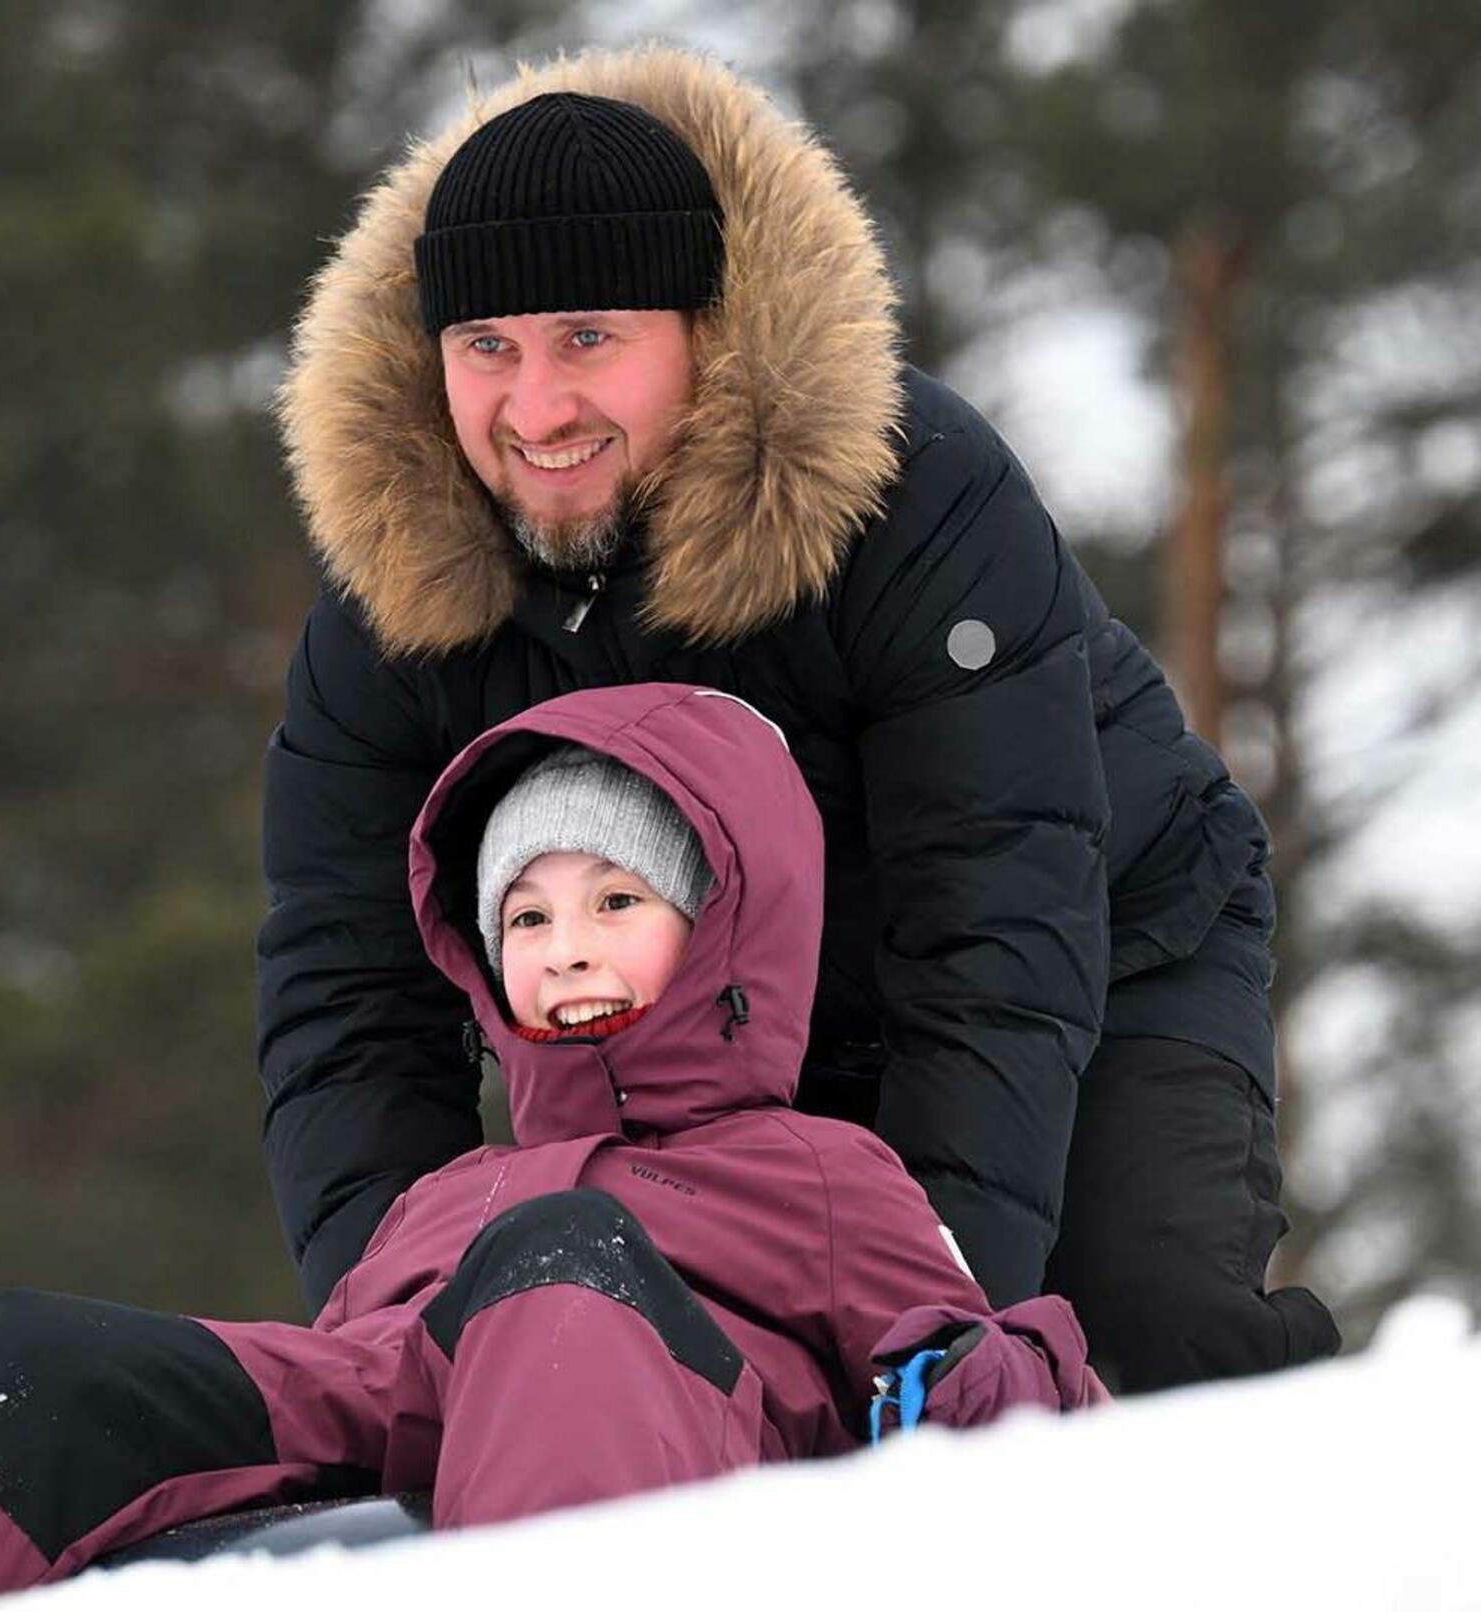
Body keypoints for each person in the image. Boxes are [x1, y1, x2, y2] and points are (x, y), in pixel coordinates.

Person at [264, 47, 1339, 1390]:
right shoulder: (393, 600)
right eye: (489, 349)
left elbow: (1001, 922)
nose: (535, 408)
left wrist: (945, 1318)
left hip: (1105, 951)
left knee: (1133, 1324)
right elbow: (346, 1003)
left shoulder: (915, 497)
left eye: (590, 338)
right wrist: (402, 1339)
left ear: (705, 338)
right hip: (724, 1052)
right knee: (675, 1382)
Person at [0, 684, 1101, 1606]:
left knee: (560, 1265)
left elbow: (1010, 1397)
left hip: (648, 1427)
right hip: (398, 1409)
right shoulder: (447, 1191)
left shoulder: (824, 1172)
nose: (565, 945)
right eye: (527, 914)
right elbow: (341, 1375)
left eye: (616, 902)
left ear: (728, 929)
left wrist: (966, 1372)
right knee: (18, 1355)